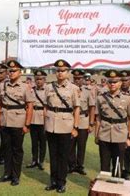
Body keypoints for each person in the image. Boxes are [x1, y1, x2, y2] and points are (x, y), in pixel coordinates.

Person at [44, 59, 80, 194]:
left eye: (63, 71)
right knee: (53, 155)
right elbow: (45, 106)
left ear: (68, 72)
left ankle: (61, 182)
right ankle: (53, 181)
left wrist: (75, 127)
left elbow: (77, 109)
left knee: (63, 156)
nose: (60, 73)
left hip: (66, 125)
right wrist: (45, 122)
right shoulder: (49, 87)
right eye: (58, 71)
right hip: (51, 124)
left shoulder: (73, 89)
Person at [0, 60, 34, 186]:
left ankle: (15, 176)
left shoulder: (25, 87)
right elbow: (0, 104)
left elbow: (29, 106)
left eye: (14, 71)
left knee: (17, 150)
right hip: (5, 121)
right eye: (10, 71)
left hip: (18, 122)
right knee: (6, 149)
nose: (11, 73)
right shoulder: (3, 86)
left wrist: (27, 125)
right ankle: (7, 173)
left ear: (20, 72)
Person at [94, 70, 130, 177]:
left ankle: (115, 189)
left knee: (117, 165)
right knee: (104, 164)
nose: (112, 84)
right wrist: (96, 135)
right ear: (107, 83)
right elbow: (98, 118)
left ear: (120, 83)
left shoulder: (128, 99)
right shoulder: (100, 98)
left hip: (120, 135)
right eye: (110, 82)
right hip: (104, 134)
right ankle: (104, 190)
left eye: (115, 82)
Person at [68, 69, 95, 176]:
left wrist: (91, 123)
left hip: (83, 119)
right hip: (70, 119)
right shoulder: (69, 90)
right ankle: (71, 165)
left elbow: (92, 107)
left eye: (79, 78)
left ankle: (80, 166)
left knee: (81, 145)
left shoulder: (88, 91)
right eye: (75, 78)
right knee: (70, 144)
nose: (77, 80)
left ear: (83, 79)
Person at [26, 69, 47, 171]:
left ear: (44, 79)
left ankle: (41, 161)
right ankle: (34, 160)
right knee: (34, 141)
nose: (38, 81)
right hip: (33, 117)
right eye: (37, 79)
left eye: (41, 79)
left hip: (43, 118)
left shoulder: (48, 90)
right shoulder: (31, 89)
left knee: (43, 142)